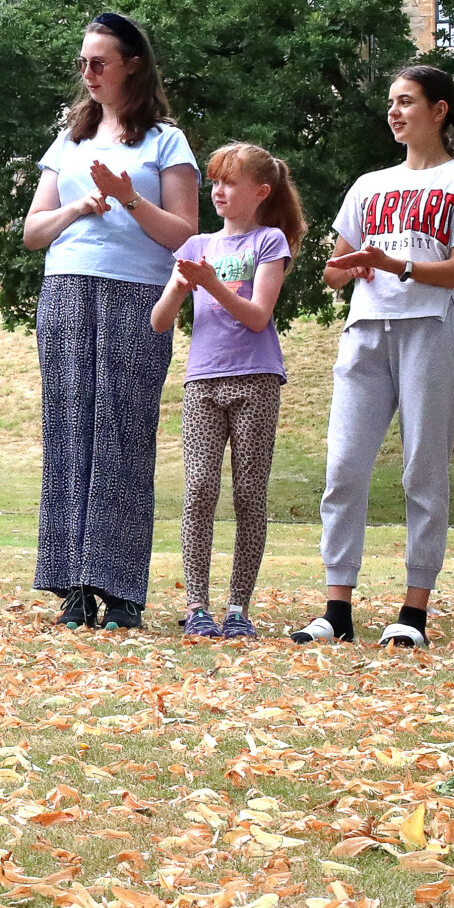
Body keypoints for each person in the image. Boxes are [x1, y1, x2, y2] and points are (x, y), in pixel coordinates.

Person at [296, 65, 454, 648]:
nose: (394, 112)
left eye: (406, 101)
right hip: (365, 330)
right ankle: (337, 610)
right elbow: (333, 271)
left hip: (429, 330)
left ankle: (413, 612)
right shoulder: (369, 184)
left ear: (439, 111)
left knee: (422, 471)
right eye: (391, 102)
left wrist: (396, 264)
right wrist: (352, 268)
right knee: (343, 467)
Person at [22, 12, 199, 630]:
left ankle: (121, 589)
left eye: (99, 62)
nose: (89, 73)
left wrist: (129, 198)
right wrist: (78, 207)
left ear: (132, 65)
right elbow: (33, 232)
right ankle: (74, 585)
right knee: (69, 431)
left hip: (137, 296)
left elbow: (186, 235)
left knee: (124, 434)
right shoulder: (69, 140)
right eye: (83, 63)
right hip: (67, 290)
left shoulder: (166, 141)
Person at [151, 142, 303, 639]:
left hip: (256, 380)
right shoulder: (195, 246)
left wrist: (211, 284)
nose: (218, 191)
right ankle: (197, 606)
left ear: (261, 192)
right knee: (199, 490)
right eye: (214, 181)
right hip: (202, 382)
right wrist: (181, 287)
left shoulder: (269, 242)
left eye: (230, 182)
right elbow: (158, 322)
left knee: (248, 494)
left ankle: (238, 608)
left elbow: (258, 316)